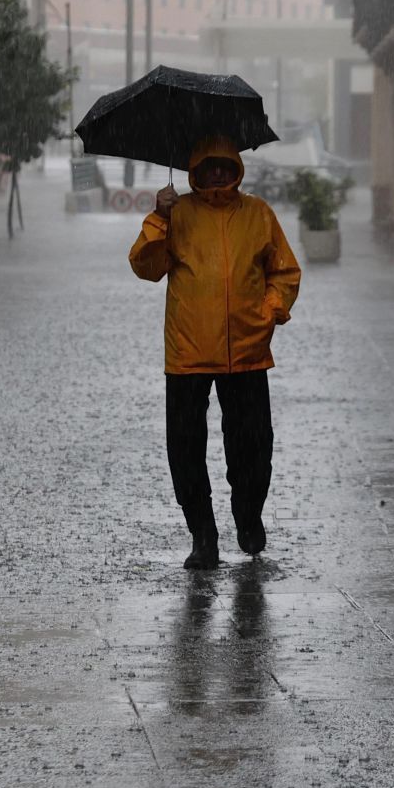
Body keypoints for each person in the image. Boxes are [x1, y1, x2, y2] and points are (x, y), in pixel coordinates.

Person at [129, 137, 301, 569]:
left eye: (226, 166)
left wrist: (269, 313)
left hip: (247, 351)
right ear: (195, 170)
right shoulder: (177, 214)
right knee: (185, 449)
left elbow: (284, 271)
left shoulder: (258, 214)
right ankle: (203, 535)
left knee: (253, 444)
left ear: (237, 168)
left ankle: (248, 515)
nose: (219, 174)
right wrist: (158, 219)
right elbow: (146, 269)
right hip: (188, 353)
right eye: (211, 167)